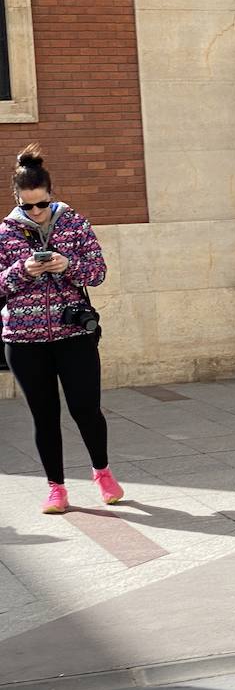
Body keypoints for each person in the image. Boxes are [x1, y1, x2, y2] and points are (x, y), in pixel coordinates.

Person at [0, 146, 119, 514]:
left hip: (75, 337)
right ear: (17, 200)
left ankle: (102, 472)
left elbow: (97, 273)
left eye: (42, 204)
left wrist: (68, 264)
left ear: (51, 195)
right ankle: (56, 488)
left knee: (86, 409)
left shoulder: (75, 224)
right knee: (45, 415)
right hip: (24, 341)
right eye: (28, 206)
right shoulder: (4, 233)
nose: (35, 212)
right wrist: (22, 270)